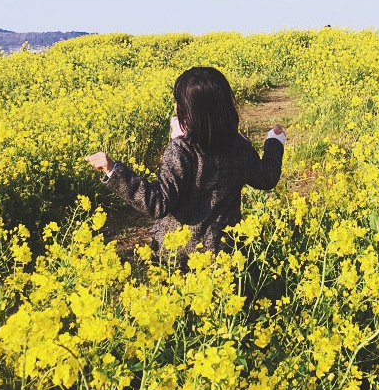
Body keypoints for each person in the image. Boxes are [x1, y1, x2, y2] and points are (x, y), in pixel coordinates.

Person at [85, 66, 286, 261]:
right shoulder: (239, 146)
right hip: (221, 254)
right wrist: (274, 142)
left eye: (179, 102)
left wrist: (113, 170)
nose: (175, 106)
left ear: (188, 110)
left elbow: (158, 203)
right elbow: (267, 178)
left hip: (176, 254)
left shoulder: (181, 150)